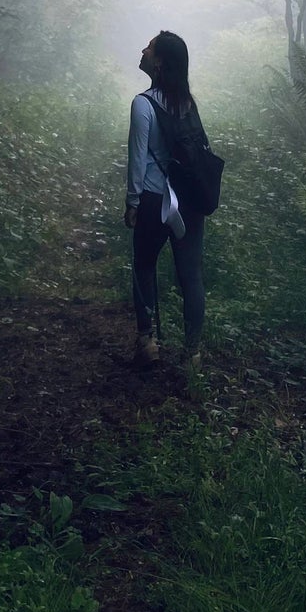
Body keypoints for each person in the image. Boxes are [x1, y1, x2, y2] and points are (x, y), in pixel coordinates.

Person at [124, 29, 206, 368]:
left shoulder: (143, 104)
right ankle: (193, 352)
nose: (142, 50)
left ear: (159, 63)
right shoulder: (187, 102)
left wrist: (132, 202)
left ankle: (148, 341)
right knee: (191, 274)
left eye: (150, 48)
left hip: (154, 200)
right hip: (189, 201)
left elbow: (138, 158)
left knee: (144, 264)